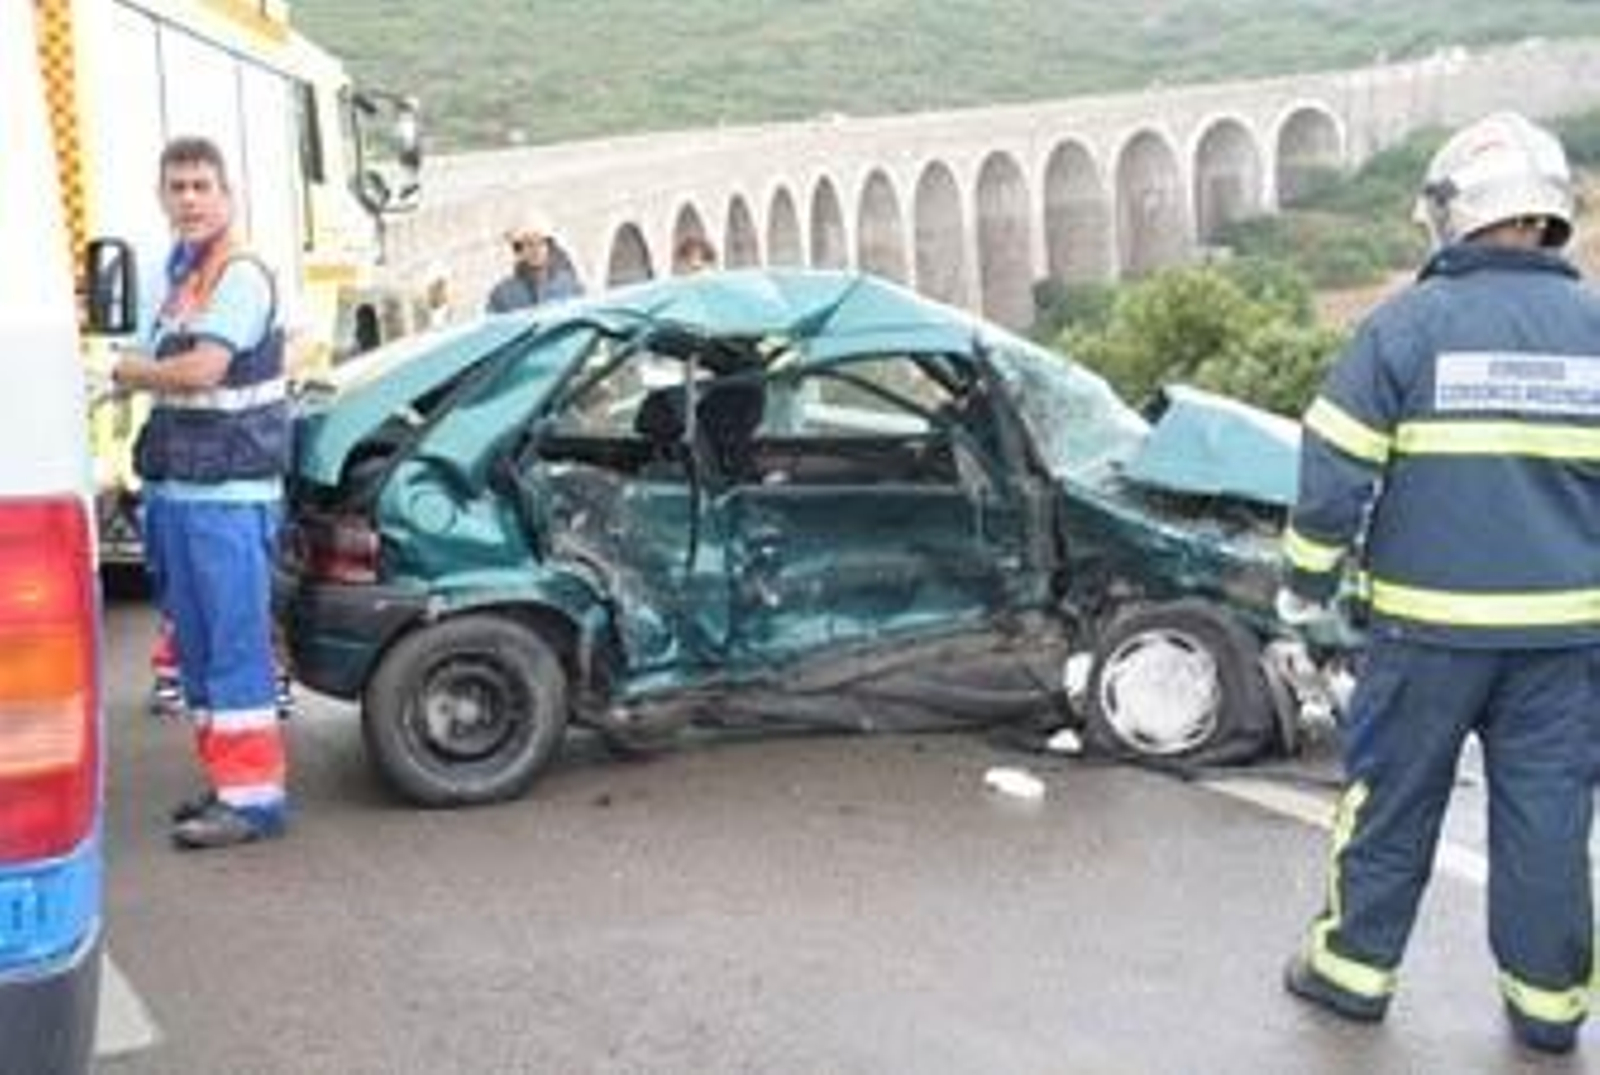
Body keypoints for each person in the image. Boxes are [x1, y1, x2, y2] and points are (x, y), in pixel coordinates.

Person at [1277, 111, 1600, 1054]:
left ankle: (1350, 973)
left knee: (1393, 798)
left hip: (1426, 636)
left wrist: (1305, 588)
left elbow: (1333, 468)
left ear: (1457, 212)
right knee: (1548, 814)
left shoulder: (1410, 326)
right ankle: (1548, 1006)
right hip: (1567, 642)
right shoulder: (1596, 330)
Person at [111, 135, 291, 850]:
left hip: (228, 498)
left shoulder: (238, 276)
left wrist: (122, 372)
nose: (188, 198)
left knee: (233, 645)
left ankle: (253, 801)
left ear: (227, 196)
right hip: (186, 494)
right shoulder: (185, 278)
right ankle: (228, 784)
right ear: (161, 197)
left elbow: (203, 371)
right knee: (199, 645)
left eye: (200, 186)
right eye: (176, 186)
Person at [485, 210, 583, 312]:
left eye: (541, 243)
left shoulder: (569, 286)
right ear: (519, 251)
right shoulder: (502, 294)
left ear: (548, 246)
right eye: (529, 244)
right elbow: (492, 325)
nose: (536, 250)